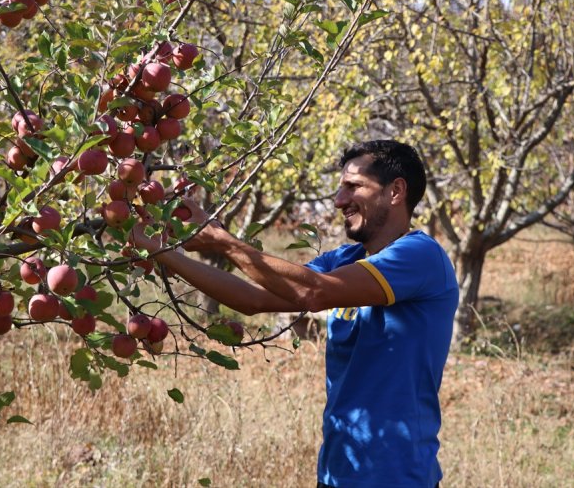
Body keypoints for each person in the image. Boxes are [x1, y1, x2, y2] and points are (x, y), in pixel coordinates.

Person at [131, 139, 458, 488]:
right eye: (340, 188)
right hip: (338, 472)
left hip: (397, 478)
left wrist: (222, 241)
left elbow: (314, 292)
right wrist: (162, 251)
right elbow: (252, 299)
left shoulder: (420, 256)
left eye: (353, 187)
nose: (339, 200)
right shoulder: (344, 260)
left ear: (395, 191)